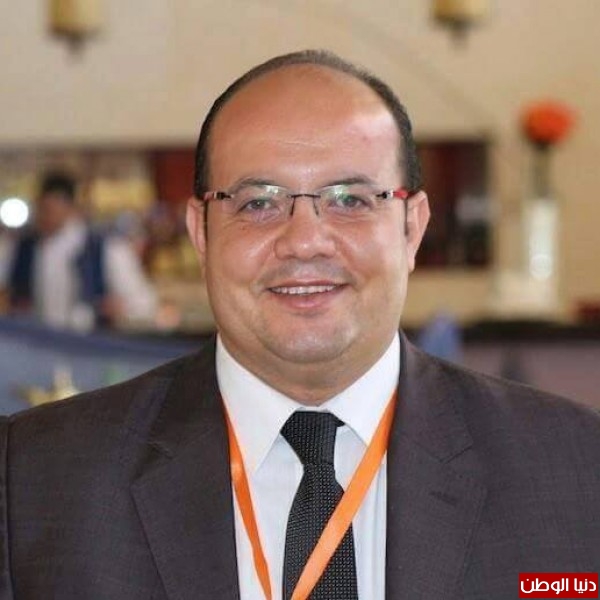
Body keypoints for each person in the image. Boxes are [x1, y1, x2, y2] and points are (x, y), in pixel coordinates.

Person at [1, 50, 599, 600]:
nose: (306, 240)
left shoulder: (574, 469)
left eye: (350, 199)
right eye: (259, 202)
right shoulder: (35, 479)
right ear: (201, 233)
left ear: (411, 228)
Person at [2, 171, 157, 330]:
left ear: (70, 207)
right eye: (43, 209)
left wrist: (122, 308)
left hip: (90, 340)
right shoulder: (22, 248)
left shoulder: (105, 248)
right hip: (35, 339)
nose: (46, 216)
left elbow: (145, 303)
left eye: (52, 208)